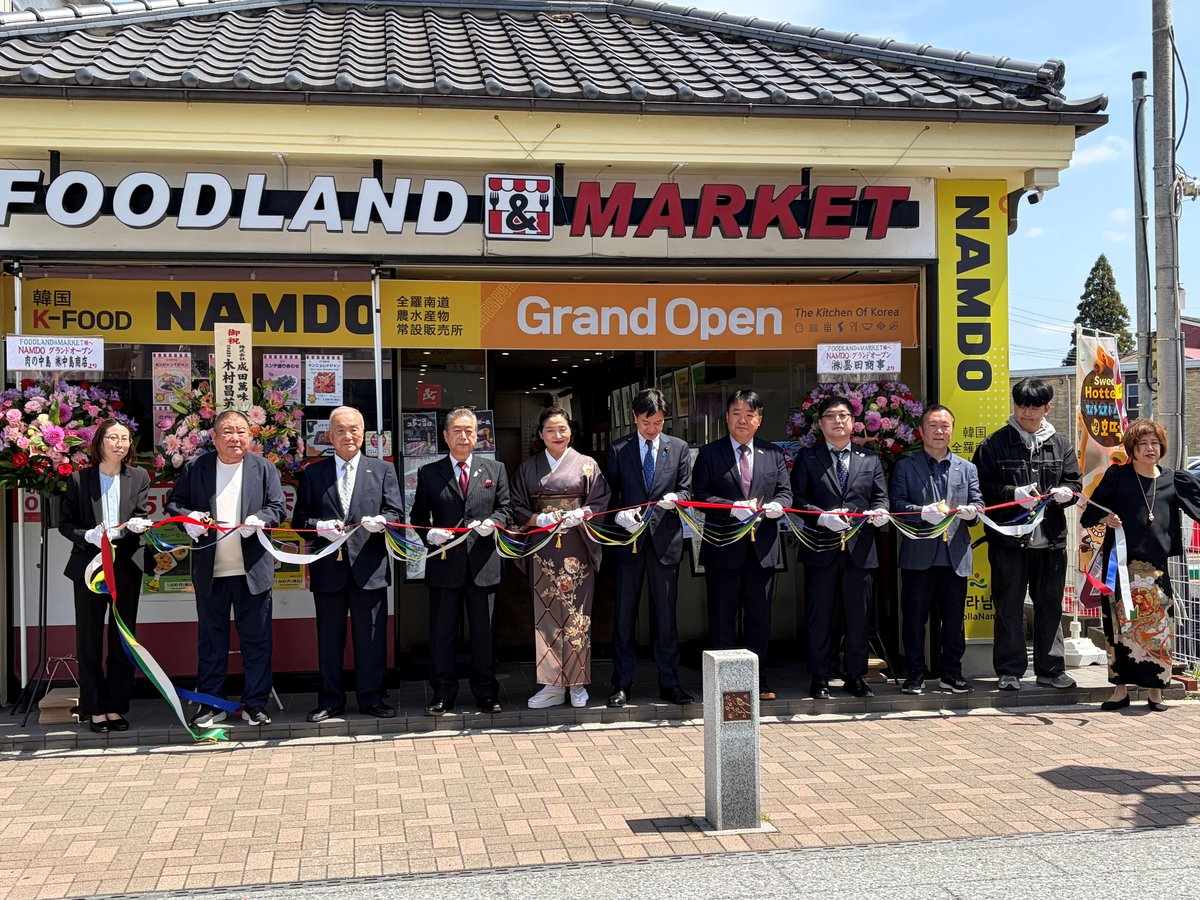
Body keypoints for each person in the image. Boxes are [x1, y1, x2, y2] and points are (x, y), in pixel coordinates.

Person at [165, 409, 286, 727]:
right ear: (215, 438)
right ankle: (211, 704)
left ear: (250, 436)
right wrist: (188, 519)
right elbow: (174, 504)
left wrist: (261, 519)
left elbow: (278, 507)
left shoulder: (263, 468)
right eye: (228, 432)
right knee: (211, 643)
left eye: (242, 432)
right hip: (211, 572)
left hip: (252, 572)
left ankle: (255, 704)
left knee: (257, 642)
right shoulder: (196, 468)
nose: (235, 438)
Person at [292, 406, 403, 722]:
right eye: (340, 430)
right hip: (329, 570)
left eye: (354, 429)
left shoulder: (382, 470)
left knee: (371, 638)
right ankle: (330, 700)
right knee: (330, 639)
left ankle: (372, 697)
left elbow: (396, 513)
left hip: (369, 568)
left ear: (363, 433)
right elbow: (300, 521)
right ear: (329, 435)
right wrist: (318, 526)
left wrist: (383, 521)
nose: (348, 436)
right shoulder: (313, 473)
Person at [1080, 419, 1200, 712]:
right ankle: (1120, 691)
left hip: (1156, 571)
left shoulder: (1174, 480)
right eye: (1143, 443)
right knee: (1118, 628)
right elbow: (1089, 513)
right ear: (1132, 449)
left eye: (1155, 443)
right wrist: (1105, 518)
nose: (1150, 448)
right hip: (1120, 565)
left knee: (1158, 630)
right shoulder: (1117, 476)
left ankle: (1155, 692)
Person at [973, 377, 1083, 691]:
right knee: (1008, 605)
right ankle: (1009, 671)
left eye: (1034, 406)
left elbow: (1075, 484)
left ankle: (1051, 669)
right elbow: (981, 487)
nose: (1026, 412)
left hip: (1051, 541)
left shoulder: (1061, 444)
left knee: (1050, 605)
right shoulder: (994, 444)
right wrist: (1013, 493)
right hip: (1008, 540)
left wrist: (1067, 493)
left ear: (1047, 408)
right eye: (1021, 405)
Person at [410, 407, 512, 715]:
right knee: (442, 634)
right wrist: (429, 534)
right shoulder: (430, 472)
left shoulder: (495, 469)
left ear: (478, 435)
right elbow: (417, 516)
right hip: (445, 565)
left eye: (469, 431)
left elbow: (506, 509)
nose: (463, 436)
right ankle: (443, 693)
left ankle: (486, 692)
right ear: (445, 436)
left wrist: (493, 522)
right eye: (457, 430)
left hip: (483, 565)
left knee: (484, 633)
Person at [692, 390, 792, 701]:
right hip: (724, 547)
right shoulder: (710, 453)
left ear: (759, 420)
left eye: (750, 414)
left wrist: (778, 506)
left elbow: (786, 493)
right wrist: (730, 508)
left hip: (762, 550)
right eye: (736, 413)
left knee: (759, 617)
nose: (742, 420)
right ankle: (723, 682)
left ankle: (757, 680)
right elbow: (699, 495)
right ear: (726, 417)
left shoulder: (773, 453)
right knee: (722, 617)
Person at [511, 407, 610, 709]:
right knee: (547, 614)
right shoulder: (528, 468)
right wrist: (536, 519)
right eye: (551, 430)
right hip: (543, 546)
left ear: (571, 432)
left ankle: (577, 683)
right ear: (540, 434)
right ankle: (552, 685)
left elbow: (600, 500)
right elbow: (516, 504)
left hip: (577, 545)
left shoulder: (588, 465)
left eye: (563, 429)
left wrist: (584, 513)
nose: (558, 435)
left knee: (578, 614)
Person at [791, 395, 890, 700]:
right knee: (820, 615)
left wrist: (880, 511)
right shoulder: (808, 458)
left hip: (860, 550)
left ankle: (856, 675)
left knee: (859, 616)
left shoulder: (869, 459)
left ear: (853, 422)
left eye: (843, 415)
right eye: (831, 416)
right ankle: (820, 675)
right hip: (821, 548)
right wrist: (821, 517)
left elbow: (881, 497)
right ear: (820, 424)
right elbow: (796, 499)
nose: (837, 421)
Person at [59, 420, 154, 734]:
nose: (120, 444)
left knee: (123, 637)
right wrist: (87, 535)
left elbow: (140, 514)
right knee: (88, 638)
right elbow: (65, 523)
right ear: (100, 441)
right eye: (113, 437)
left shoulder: (138, 476)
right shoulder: (79, 479)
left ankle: (115, 706)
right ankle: (94, 708)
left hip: (125, 564)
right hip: (90, 567)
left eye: (125, 438)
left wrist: (139, 524)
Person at [606, 388, 693, 708]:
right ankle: (621, 682)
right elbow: (608, 495)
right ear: (634, 418)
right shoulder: (619, 449)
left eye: (658, 423)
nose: (652, 428)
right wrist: (619, 515)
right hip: (629, 542)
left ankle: (669, 682)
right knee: (624, 615)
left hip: (664, 541)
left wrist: (677, 499)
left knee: (666, 616)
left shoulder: (678, 447)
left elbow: (687, 489)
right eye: (646, 422)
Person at [888, 405, 984, 695]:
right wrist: (921, 512)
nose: (939, 431)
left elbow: (979, 505)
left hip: (955, 556)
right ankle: (915, 672)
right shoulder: (906, 466)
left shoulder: (967, 468)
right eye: (933, 425)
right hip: (918, 555)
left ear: (952, 430)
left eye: (945, 426)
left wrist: (972, 512)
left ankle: (951, 672)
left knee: (954, 621)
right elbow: (896, 505)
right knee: (914, 618)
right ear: (921, 431)